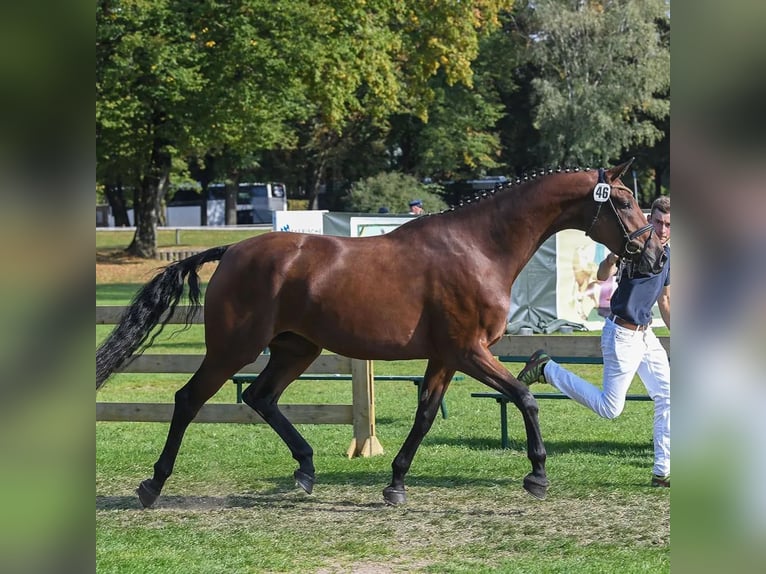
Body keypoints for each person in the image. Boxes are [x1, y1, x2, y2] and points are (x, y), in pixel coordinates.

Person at [518, 196, 671, 487]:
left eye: (668, 224)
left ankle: (662, 472)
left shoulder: (669, 255)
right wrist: (613, 257)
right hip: (622, 335)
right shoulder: (635, 247)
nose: (663, 229)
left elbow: (665, 299)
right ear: (649, 220)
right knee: (610, 409)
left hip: (646, 336)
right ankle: (547, 369)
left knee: (670, 396)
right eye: (658, 222)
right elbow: (602, 276)